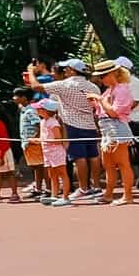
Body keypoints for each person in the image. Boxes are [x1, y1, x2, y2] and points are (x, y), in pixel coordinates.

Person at [32, 59, 102, 196]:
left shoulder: (65, 84)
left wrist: (30, 71)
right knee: (93, 156)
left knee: (79, 158)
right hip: (90, 124)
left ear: (72, 70)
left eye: (67, 69)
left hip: (72, 125)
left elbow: (36, 87)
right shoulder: (93, 87)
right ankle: (97, 187)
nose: (64, 71)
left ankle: (84, 189)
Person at [87, 59, 137, 205]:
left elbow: (114, 113)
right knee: (107, 164)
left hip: (117, 127)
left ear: (112, 73)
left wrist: (100, 100)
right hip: (106, 128)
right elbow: (104, 110)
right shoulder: (109, 90)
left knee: (123, 163)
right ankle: (108, 194)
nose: (101, 79)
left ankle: (128, 196)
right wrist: (96, 103)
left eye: (103, 76)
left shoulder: (122, 89)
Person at [32, 99, 72, 207]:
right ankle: (54, 195)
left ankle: (65, 197)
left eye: (39, 109)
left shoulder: (53, 122)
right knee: (52, 174)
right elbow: (43, 136)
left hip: (56, 152)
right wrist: (37, 140)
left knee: (62, 173)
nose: (37, 110)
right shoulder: (43, 121)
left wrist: (40, 140)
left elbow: (58, 139)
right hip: (47, 152)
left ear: (46, 110)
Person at [11, 87, 47, 198]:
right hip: (27, 143)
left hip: (33, 143)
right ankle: (38, 188)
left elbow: (38, 124)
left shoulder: (30, 110)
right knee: (36, 167)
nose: (14, 98)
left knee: (41, 166)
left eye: (16, 96)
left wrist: (35, 139)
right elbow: (20, 105)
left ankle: (48, 189)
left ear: (24, 98)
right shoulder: (24, 109)